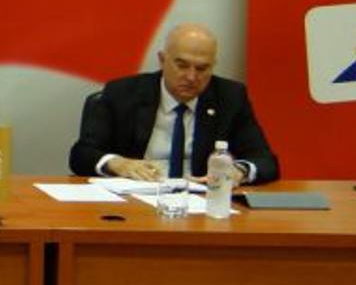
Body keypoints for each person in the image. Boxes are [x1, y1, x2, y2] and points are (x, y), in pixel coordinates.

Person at [69, 22, 279, 184]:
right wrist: (119, 164)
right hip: (135, 199)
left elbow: (265, 161)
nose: (191, 77)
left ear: (213, 66)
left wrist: (239, 172)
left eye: (202, 68)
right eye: (182, 65)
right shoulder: (123, 93)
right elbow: (82, 154)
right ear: (162, 60)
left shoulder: (229, 97)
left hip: (200, 201)